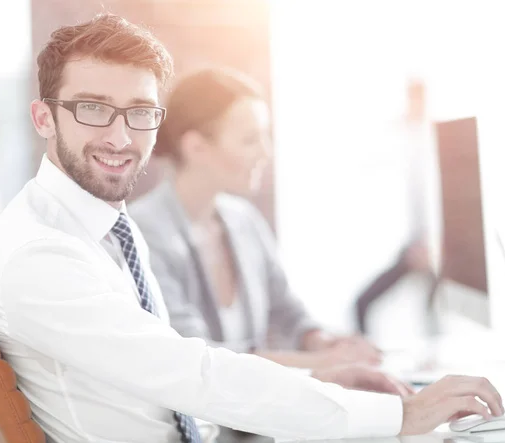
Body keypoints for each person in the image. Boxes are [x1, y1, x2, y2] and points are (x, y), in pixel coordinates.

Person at [0, 13, 504, 443]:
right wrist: (398, 413)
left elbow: (193, 372)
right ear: (42, 118)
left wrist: (320, 379)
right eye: (92, 109)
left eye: (140, 112)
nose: (121, 136)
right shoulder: (41, 254)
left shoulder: (104, 227)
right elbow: (194, 373)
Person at [128, 67, 383, 373]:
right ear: (196, 147)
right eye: (250, 139)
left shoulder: (243, 220)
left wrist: (320, 341)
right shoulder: (144, 231)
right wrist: (321, 365)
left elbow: (285, 309)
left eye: (265, 136)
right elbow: (192, 352)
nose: (266, 152)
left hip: (253, 413)